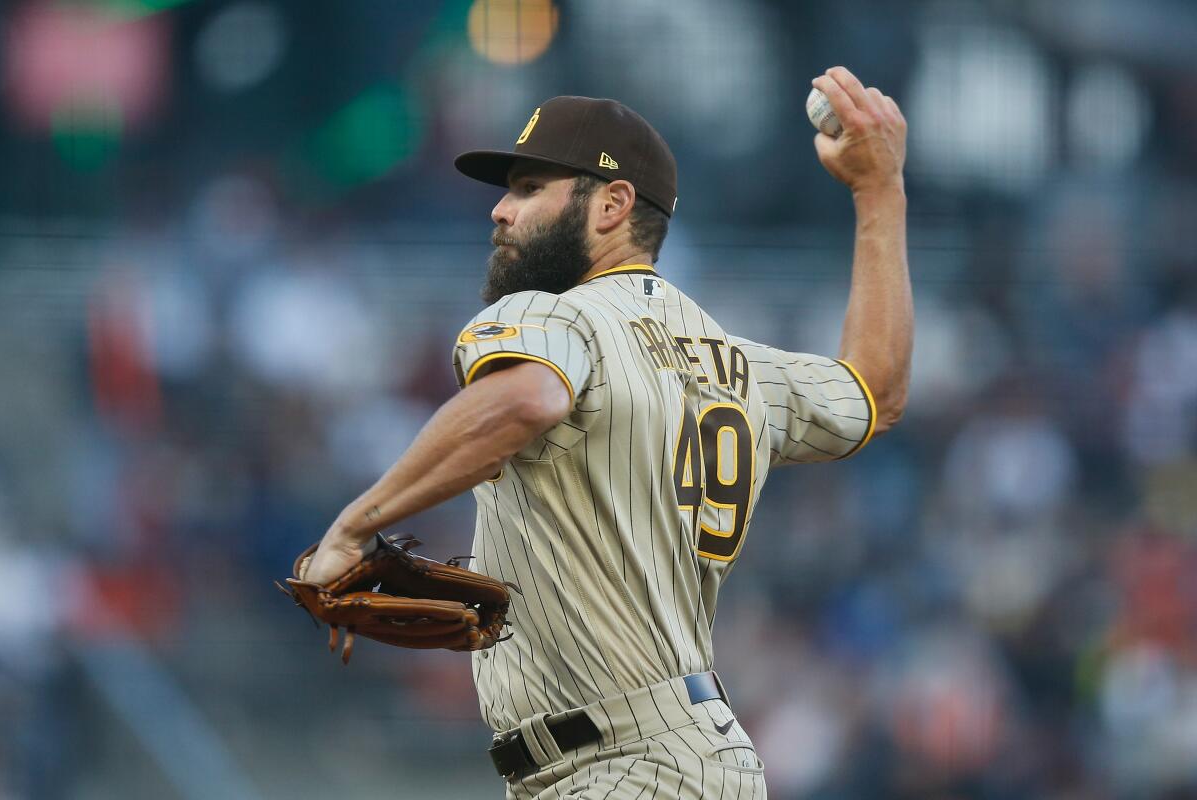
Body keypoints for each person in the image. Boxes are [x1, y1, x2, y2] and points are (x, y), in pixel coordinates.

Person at [302, 66, 912, 799]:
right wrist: (879, 194)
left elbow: (528, 399)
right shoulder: (734, 363)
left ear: (612, 204)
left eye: (530, 190)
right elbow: (873, 389)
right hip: (690, 758)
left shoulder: (552, 314)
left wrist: (357, 523)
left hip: (620, 765)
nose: (500, 211)